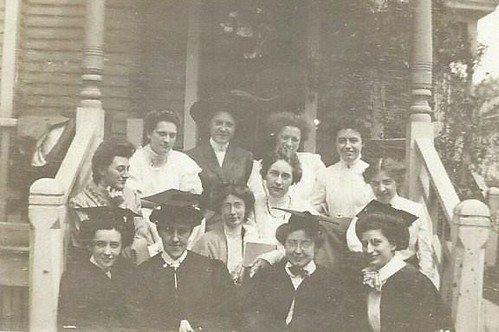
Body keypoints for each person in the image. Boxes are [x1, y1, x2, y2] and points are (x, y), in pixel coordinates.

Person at [127, 191, 236, 332]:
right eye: (168, 230)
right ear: (159, 232)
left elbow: (228, 314)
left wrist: (197, 326)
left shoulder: (212, 270)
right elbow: (136, 319)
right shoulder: (142, 274)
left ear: (191, 232)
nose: (175, 239)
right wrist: (171, 326)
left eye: (182, 231)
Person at [346, 209, 451, 332]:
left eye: (376, 243)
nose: (369, 250)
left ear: (393, 244)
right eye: (365, 244)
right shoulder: (366, 278)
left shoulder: (414, 282)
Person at [242, 212, 345, 331]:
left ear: (316, 247)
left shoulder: (331, 283)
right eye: (292, 243)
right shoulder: (266, 277)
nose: (298, 251)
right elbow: (249, 318)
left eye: (305, 244)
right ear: (284, 245)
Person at [346, 157, 438, 285]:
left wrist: (424, 282)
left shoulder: (416, 210)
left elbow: (425, 251)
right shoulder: (365, 211)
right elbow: (353, 242)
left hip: (406, 274)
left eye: (387, 182)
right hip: (372, 271)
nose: (381, 189)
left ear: (397, 182)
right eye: (375, 183)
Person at [249, 150, 345, 271]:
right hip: (257, 267)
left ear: (293, 179)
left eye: (285, 176)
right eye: (274, 173)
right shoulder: (254, 203)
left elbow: (310, 247)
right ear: (265, 174)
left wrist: (273, 256)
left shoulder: (303, 208)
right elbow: (249, 241)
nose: (278, 182)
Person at [127, 110, 204, 252]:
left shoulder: (182, 161)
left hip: (178, 214)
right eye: (162, 134)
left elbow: (192, 196)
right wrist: (161, 202)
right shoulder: (135, 161)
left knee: (197, 218)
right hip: (148, 215)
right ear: (149, 134)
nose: (167, 140)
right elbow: (133, 199)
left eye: (172, 135)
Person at [70, 139, 155, 265]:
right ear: (102, 170)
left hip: (130, 262)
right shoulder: (81, 203)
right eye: (120, 169)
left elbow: (142, 233)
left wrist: (122, 206)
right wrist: (117, 209)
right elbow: (92, 242)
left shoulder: (131, 196)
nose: (126, 175)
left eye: (127, 169)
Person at [58, 207, 134, 331]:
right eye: (101, 244)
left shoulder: (127, 272)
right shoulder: (74, 278)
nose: (107, 252)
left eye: (114, 245)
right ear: (89, 246)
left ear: (122, 246)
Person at [186, 93, 254, 214]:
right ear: (209, 124)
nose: (223, 129)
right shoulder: (192, 157)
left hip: (234, 219)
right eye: (218, 123)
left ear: (235, 128)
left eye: (229, 125)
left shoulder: (245, 157)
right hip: (203, 221)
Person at [248, 111, 326, 201]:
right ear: (276, 136)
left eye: (295, 139)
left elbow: (321, 196)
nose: (289, 144)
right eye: (285, 138)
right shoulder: (257, 166)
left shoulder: (312, 163)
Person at [192, 183, 258, 284]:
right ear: (220, 209)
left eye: (237, 205)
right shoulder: (208, 241)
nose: (232, 212)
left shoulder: (253, 239)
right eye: (227, 206)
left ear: (246, 208)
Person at [310, 120, 373, 220]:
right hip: (335, 232)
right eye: (342, 141)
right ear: (336, 144)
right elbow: (313, 206)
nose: (347, 146)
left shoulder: (372, 172)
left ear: (363, 143)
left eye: (353, 140)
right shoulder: (326, 174)